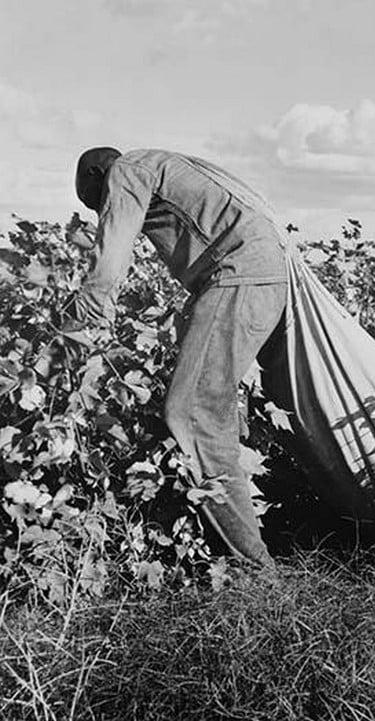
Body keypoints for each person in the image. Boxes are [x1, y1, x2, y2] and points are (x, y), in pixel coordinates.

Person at [72, 146, 288, 568]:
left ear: (99, 173)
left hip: (239, 277)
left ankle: (255, 571)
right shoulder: (166, 165)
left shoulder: (127, 169)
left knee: (193, 415)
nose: (107, 209)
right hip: (263, 276)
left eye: (99, 200)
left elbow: (111, 256)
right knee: (216, 407)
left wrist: (83, 321)